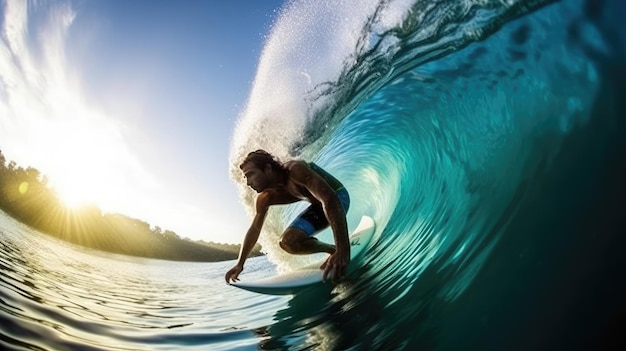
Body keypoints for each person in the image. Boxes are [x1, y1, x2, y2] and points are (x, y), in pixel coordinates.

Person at [225, 150, 351, 284]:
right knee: (287, 242)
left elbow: (329, 199)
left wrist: (344, 248)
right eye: (246, 178)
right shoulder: (266, 198)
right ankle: (332, 250)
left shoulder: (295, 170)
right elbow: (254, 229)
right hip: (318, 206)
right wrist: (240, 263)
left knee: (330, 203)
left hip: (337, 196)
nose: (248, 182)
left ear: (267, 168)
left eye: (250, 175)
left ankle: (339, 250)